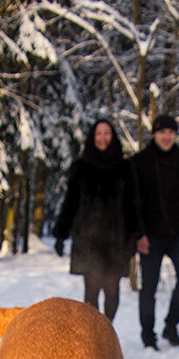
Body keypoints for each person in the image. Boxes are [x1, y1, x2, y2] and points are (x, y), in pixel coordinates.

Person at [132, 114, 179, 349]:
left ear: (175, 135)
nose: (166, 137)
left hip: (178, 233)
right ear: (154, 134)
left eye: (171, 132)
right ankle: (148, 335)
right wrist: (139, 234)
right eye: (162, 132)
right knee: (149, 286)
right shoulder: (140, 161)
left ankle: (171, 326)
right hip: (150, 236)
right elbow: (133, 201)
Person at [53, 118, 137, 321]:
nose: (102, 138)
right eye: (98, 133)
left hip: (116, 240)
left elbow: (134, 205)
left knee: (112, 291)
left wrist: (135, 236)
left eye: (107, 133)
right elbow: (70, 202)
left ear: (113, 137)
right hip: (88, 239)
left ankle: (106, 331)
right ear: (92, 138)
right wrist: (61, 234)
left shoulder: (125, 168)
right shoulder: (81, 167)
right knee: (91, 291)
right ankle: (93, 336)